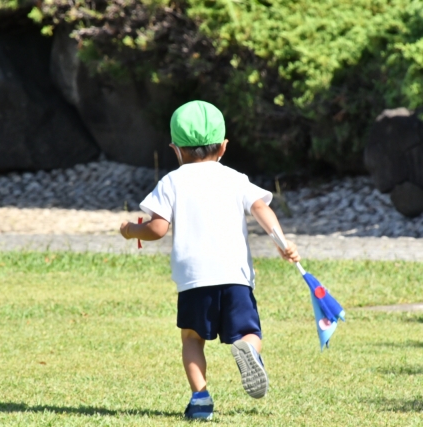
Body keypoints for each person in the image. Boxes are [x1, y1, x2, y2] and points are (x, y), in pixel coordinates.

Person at [119, 100, 300, 421]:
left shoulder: (172, 182)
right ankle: (250, 353)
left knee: (192, 338)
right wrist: (281, 242)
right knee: (249, 331)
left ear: (175, 149)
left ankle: (200, 398)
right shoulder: (235, 178)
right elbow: (261, 208)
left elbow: (158, 229)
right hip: (235, 275)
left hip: (195, 278)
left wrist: (131, 229)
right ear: (224, 146)